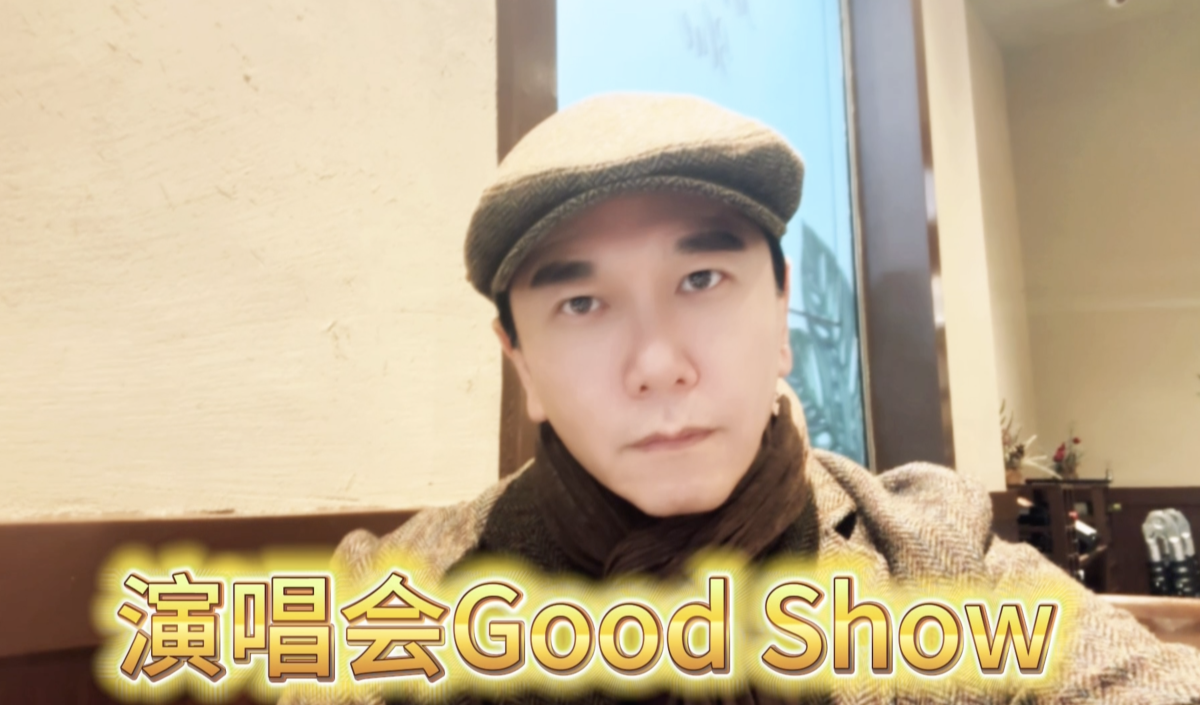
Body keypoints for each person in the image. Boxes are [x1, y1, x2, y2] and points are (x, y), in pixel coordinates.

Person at [288, 94, 1200, 704]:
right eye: (582, 302)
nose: (658, 364)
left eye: (702, 280)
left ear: (780, 313)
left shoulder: (933, 550)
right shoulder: (396, 592)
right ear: (519, 362)